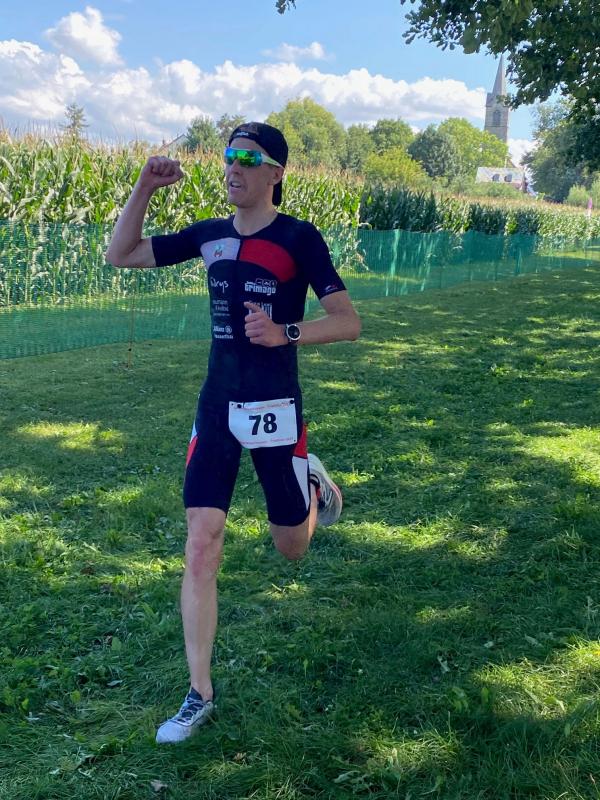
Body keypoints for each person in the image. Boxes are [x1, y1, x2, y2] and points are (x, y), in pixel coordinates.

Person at [105, 121, 361, 744]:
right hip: (217, 404)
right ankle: (199, 693)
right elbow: (121, 254)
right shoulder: (211, 235)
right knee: (201, 542)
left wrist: (284, 333)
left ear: (276, 173)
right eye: (229, 156)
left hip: (276, 406)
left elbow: (347, 321)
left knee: (291, 548)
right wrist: (143, 188)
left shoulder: (299, 238)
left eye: (249, 157)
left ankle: (311, 485)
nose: (234, 166)